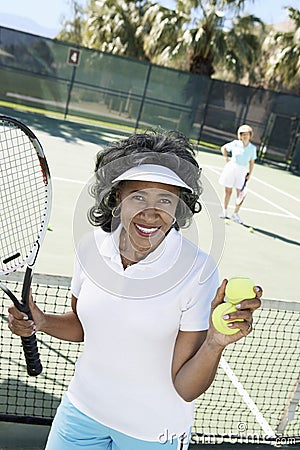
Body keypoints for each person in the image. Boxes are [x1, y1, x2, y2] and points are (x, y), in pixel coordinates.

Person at [8, 130, 262, 450]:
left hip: (153, 433)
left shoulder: (198, 269)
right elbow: (84, 325)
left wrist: (214, 342)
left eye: (165, 199)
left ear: (178, 206)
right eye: (138, 195)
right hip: (81, 413)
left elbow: (185, 387)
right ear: (117, 197)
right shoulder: (90, 249)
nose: (151, 212)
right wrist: (42, 321)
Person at [219, 124, 257, 224]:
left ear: (250, 135)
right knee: (228, 191)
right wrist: (226, 158)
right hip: (232, 168)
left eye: (247, 134)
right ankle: (224, 211)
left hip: (243, 171)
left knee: (240, 193)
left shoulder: (252, 148)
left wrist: (250, 173)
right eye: (243, 134)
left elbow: (252, 162)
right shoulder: (235, 143)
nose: (245, 136)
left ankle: (235, 214)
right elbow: (223, 148)